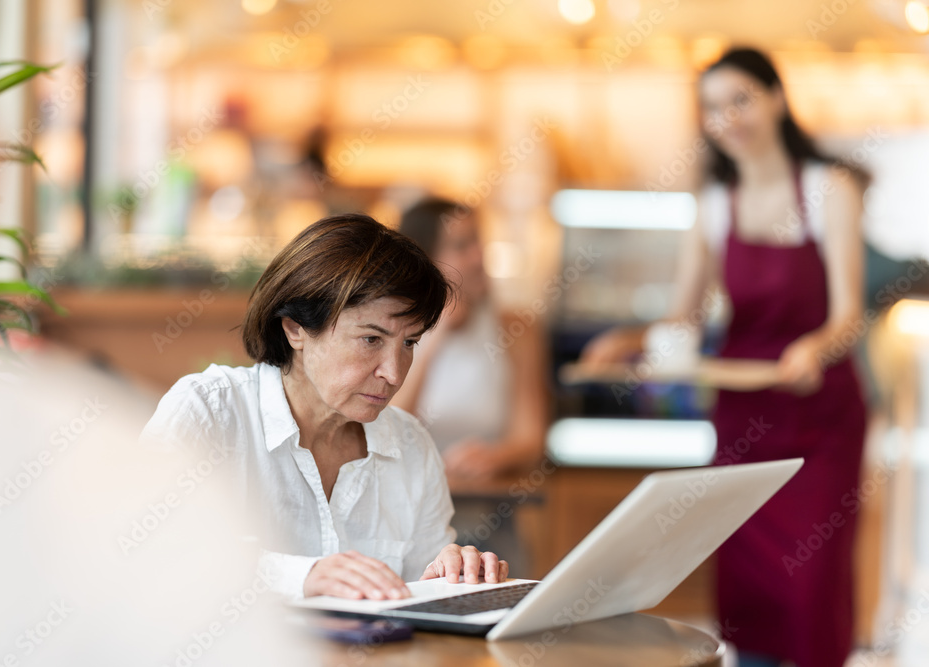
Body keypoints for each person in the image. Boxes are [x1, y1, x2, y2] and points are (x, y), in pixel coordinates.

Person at [581, 48, 866, 667]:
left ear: (776, 99)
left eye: (740, 99)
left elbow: (849, 314)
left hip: (819, 413)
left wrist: (814, 347)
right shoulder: (714, 201)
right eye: (712, 108)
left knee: (811, 583)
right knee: (750, 583)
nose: (727, 118)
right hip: (743, 411)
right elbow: (684, 317)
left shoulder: (828, 188)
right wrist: (627, 339)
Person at [141, 213, 510, 600]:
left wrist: (453, 573)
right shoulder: (208, 412)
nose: (394, 373)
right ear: (295, 329)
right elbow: (151, 555)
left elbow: (420, 595)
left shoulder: (411, 446)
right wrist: (304, 576)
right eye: (371, 339)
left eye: (409, 343)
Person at [392, 198, 548, 573]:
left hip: (486, 516)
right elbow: (388, 423)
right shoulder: (391, 330)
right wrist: (438, 330)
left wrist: (497, 456)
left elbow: (531, 438)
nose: (478, 256)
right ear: (424, 259)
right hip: (404, 515)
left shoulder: (516, 329)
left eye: (479, 242)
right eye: (461, 246)